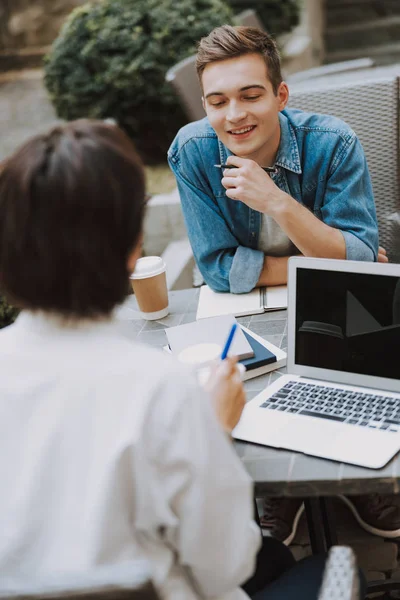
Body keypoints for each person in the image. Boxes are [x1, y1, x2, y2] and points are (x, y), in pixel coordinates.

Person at [0, 119, 355, 600]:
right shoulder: (162, 390)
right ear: (133, 250)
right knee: (314, 566)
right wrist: (211, 432)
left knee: (274, 556)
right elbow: (225, 565)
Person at [168, 25, 398, 546]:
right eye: (218, 101)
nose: (234, 115)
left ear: (281, 94)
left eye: (251, 95)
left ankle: (359, 481)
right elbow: (217, 267)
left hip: (340, 304)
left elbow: (360, 264)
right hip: (251, 303)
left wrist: (275, 201)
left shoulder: (333, 143)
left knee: (344, 364)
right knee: (240, 378)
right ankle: (280, 490)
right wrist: (323, 254)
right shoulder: (193, 150)